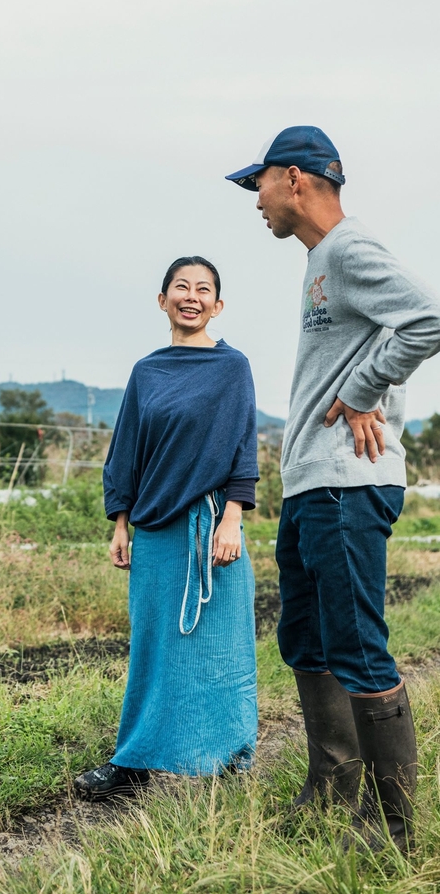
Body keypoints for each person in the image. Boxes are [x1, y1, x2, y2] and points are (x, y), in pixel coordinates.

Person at [226, 126, 440, 851]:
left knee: (355, 646)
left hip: (349, 485)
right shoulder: (320, 263)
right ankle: (329, 790)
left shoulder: (348, 249)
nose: (253, 199)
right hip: (314, 482)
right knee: (306, 638)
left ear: (293, 179)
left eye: (257, 183)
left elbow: (428, 318)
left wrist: (359, 390)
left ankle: (390, 829)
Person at [74, 256, 260, 800]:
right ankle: (133, 763)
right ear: (163, 301)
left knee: (223, 650)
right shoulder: (147, 371)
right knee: (153, 648)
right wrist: (120, 523)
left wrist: (234, 519)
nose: (192, 296)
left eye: (204, 289)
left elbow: (243, 449)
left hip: (213, 529)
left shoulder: (233, 368)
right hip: (155, 529)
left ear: (217, 305)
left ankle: (230, 761)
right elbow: (125, 452)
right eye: (182, 287)